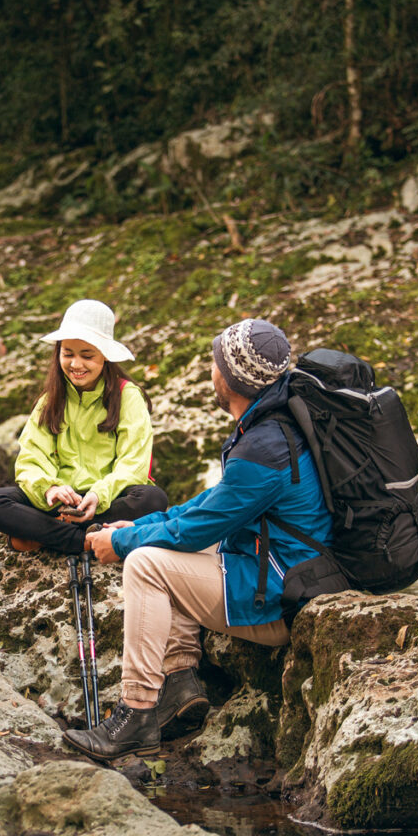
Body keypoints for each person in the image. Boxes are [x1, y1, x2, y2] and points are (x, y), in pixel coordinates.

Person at [64, 318, 333, 760]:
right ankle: (180, 681)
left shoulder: (265, 449)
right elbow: (212, 505)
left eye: (216, 363)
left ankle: (136, 714)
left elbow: (198, 529)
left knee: (146, 564)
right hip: (287, 568)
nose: (211, 370)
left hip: (284, 597)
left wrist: (126, 544)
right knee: (159, 543)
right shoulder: (274, 422)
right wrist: (138, 528)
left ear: (232, 379)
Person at [0, 299, 167, 555]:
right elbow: (31, 459)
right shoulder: (49, 400)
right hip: (59, 502)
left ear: (105, 355)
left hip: (106, 500)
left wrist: (99, 495)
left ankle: (46, 535)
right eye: (68, 354)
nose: (76, 365)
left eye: (87, 356)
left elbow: (134, 464)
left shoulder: (128, 396)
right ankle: (83, 539)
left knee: (153, 499)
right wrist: (50, 488)